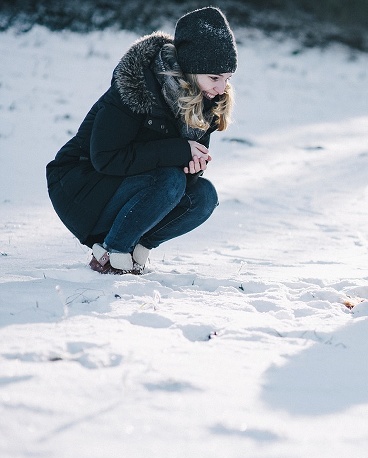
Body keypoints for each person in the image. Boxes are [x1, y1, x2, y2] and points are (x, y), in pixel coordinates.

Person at [46, 6, 237, 274]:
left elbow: (178, 171)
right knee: (169, 180)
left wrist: (192, 165)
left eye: (227, 78)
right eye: (214, 78)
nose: (220, 88)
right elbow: (106, 157)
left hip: (135, 187)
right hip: (81, 186)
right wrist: (178, 152)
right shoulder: (138, 86)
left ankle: (138, 247)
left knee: (204, 196)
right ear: (190, 69)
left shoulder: (205, 100)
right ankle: (111, 253)